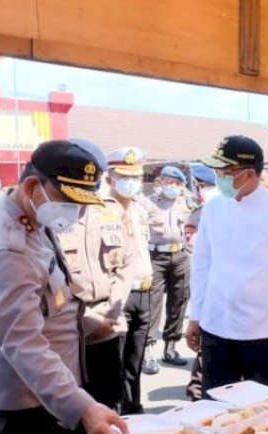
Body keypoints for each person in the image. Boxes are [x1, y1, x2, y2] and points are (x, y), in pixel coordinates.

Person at [0, 139, 128, 434]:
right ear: (30, 186)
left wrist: (86, 321)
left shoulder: (29, 217)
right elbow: (23, 343)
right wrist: (84, 408)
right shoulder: (9, 249)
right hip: (32, 402)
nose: (76, 212)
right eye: (69, 201)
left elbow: (45, 303)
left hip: (50, 389)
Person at [186, 135, 268, 391]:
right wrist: (196, 316)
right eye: (218, 171)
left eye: (226, 171)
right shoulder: (213, 208)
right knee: (214, 406)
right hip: (215, 324)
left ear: (249, 173)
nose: (219, 177)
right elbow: (202, 265)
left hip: (260, 330)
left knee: (258, 410)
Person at [56, 155, 137, 410]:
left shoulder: (111, 211)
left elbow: (127, 263)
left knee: (108, 401)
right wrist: (82, 319)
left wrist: (111, 312)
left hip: (108, 322)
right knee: (71, 407)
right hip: (66, 325)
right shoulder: (51, 215)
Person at [104, 147, 154, 415]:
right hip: (118, 296)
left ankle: (134, 408)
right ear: (110, 178)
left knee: (135, 361)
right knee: (115, 362)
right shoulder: (100, 212)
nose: (131, 182)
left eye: (136, 176)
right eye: (124, 176)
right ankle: (116, 412)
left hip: (144, 293)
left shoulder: (139, 209)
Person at [141, 165, 195, 372]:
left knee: (179, 301)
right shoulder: (148, 204)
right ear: (160, 182)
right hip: (156, 255)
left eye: (177, 183)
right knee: (152, 303)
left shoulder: (188, 203)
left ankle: (171, 346)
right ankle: (148, 350)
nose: (172, 186)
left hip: (181, 255)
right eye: (168, 182)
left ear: (182, 185)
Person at [183, 163, 218, 401]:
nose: (206, 190)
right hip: (211, 295)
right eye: (203, 186)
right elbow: (197, 256)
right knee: (207, 356)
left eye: (210, 185)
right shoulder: (198, 214)